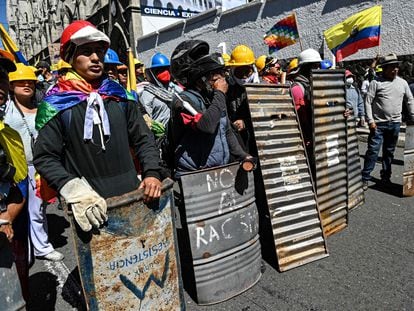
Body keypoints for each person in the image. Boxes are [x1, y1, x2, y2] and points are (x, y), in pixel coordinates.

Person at [33, 20, 163, 233]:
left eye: (99, 51)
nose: (95, 57)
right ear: (71, 57)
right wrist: (74, 191)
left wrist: (151, 172)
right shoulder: (56, 104)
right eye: (86, 51)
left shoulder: (121, 97)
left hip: (136, 199)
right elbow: (45, 157)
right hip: (90, 210)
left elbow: (143, 138)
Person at [4, 63, 64, 262]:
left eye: (30, 81)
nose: (27, 84)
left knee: (38, 209)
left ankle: (40, 247)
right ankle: (30, 249)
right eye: (21, 81)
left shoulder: (42, 108)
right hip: (14, 170)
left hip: (38, 167)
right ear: (11, 85)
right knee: (18, 211)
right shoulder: (5, 109)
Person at [169, 39, 254, 178]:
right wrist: (220, 93)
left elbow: (226, 130)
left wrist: (242, 155)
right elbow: (207, 126)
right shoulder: (183, 100)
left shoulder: (212, 97)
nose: (221, 78)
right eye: (214, 74)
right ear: (199, 78)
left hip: (219, 171)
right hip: (194, 175)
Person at [362, 53, 414, 190]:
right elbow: (367, 102)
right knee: (373, 152)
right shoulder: (376, 82)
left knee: (389, 152)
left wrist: (413, 115)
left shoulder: (402, 83)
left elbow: (410, 100)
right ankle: (365, 178)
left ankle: (386, 177)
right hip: (378, 125)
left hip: (395, 124)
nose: (395, 69)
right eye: (391, 67)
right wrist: (370, 120)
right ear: (384, 69)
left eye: (396, 67)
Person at [0, 49, 28, 303]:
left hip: (12, 221)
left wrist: (7, 217)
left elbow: (18, 182)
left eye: (2, 77)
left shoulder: (7, 131)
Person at [289, 49, 322, 162]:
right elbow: (301, 117)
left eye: (318, 66)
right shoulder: (297, 88)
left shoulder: (317, 84)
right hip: (307, 138)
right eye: (315, 66)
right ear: (305, 67)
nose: (318, 69)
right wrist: (307, 136)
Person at [226, 44, 259, 152]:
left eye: (247, 71)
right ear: (232, 72)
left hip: (259, 140)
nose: (244, 76)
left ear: (253, 70)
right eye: (239, 72)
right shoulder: (227, 91)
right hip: (237, 142)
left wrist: (246, 123)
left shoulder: (264, 89)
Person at [139, 52, 183, 128]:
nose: (165, 72)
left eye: (167, 69)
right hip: (160, 137)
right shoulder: (147, 94)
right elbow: (147, 122)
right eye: (160, 70)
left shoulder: (176, 90)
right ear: (152, 73)